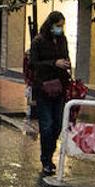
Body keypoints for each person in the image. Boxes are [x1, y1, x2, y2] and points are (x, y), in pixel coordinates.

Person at [29, 10, 72, 175]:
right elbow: (33, 63)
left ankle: (49, 154)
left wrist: (66, 65)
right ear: (51, 24)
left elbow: (66, 57)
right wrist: (54, 63)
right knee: (46, 126)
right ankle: (45, 160)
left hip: (59, 88)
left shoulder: (62, 40)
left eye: (62, 26)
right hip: (44, 88)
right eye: (58, 26)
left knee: (58, 124)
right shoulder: (38, 41)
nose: (60, 29)